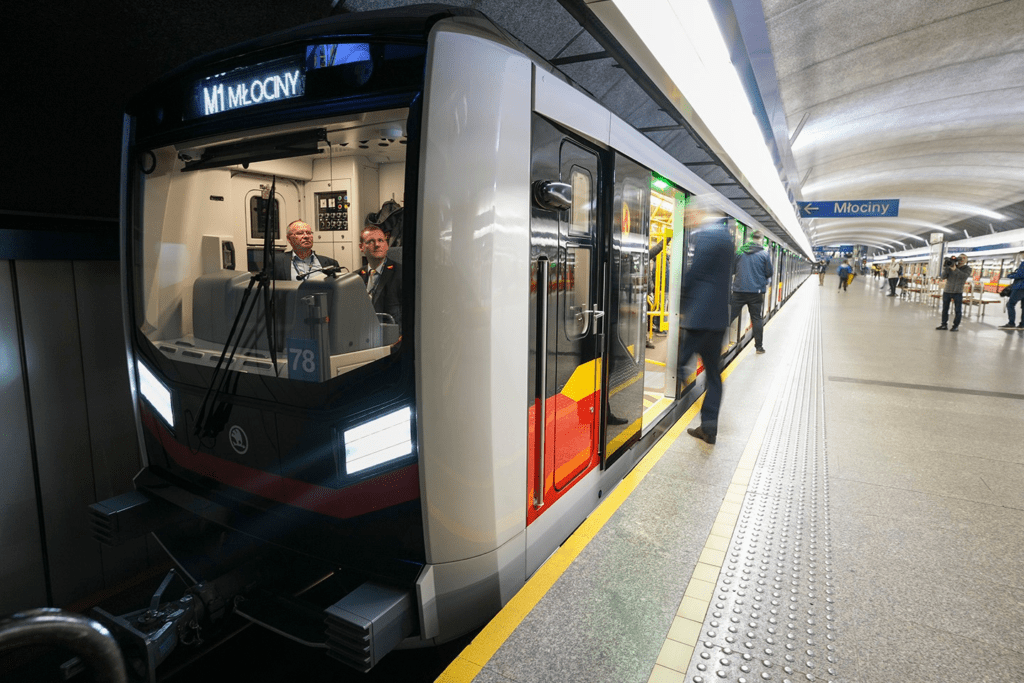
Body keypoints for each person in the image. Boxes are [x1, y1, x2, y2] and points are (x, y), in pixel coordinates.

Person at [678, 200, 733, 445]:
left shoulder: (706, 237)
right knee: (713, 375)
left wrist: (681, 304)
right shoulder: (727, 238)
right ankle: (709, 428)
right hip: (719, 318)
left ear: (700, 213)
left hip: (701, 317)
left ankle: (682, 398)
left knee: (680, 362)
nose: (689, 218)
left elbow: (696, 273)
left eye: (690, 214)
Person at [730, 230, 773, 354]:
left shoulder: (739, 252)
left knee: (729, 317)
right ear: (761, 240)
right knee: (756, 318)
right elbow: (769, 273)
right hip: (756, 292)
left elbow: (732, 270)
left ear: (750, 238)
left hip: (739, 291)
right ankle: (759, 347)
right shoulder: (764, 254)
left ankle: (714, 344)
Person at [357, 225, 402, 326]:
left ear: (386, 245)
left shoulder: (401, 274)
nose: (377, 244)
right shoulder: (355, 277)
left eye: (381, 240)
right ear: (361, 247)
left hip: (391, 336)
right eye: (370, 241)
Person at [271, 220, 341, 281]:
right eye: (300, 233)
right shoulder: (276, 262)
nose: (306, 236)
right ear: (289, 238)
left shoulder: (331, 263)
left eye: (308, 233)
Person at [935, 254, 971, 331]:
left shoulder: (967, 269)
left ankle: (955, 326)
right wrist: (946, 268)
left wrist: (955, 269)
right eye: (960, 259)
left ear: (966, 261)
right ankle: (944, 325)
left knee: (958, 310)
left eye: (963, 259)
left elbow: (963, 276)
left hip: (958, 291)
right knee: (945, 309)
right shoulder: (951, 266)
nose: (961, 261)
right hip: (947, 290)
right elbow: (943, 277)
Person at [998, 251, 1024, 330]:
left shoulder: (1023, 264)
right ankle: (1022, 325)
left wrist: (1010, 275)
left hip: (1020, 287)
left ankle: (1011, 323)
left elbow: (1020, 275)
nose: (1021, 256)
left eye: (1021, 255)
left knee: (1010, 304)